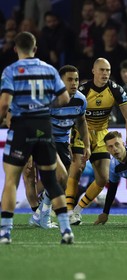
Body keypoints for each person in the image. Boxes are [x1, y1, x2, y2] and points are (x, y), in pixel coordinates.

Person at [0, 31, 73, 244]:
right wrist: (44, 105)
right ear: (35, 48)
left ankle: (5, 232)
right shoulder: (49, 70)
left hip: (22, 128)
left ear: (15, 49)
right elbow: (64, 98)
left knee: (11, 181)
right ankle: (66, 230)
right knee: (51, 180)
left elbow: (4, 103)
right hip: (43, 126)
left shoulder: (11, 71)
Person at [68, 58, 127, 225]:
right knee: (77, 169)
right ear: (93, 71)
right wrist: (67, 140)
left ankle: (77, 211)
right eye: (102, 70)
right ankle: (67, 211)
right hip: (80, 132)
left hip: (101, 135)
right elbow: (70, 117)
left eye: (108, 70)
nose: (105, 73)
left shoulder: (115, 90)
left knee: (103, 178)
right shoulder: (83, 90)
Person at [28, 65, 91, 228]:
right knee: (58, 177)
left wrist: (87, 145)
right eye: (69, 79)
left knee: (61, 181)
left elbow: (81, 122)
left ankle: (38, 215)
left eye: (76, 79)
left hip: (62, 141)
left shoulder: (81, 99)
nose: (74, 83)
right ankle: (44, 217)